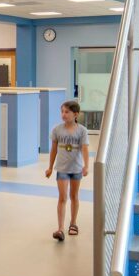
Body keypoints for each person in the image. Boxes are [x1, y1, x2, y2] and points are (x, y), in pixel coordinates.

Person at [45, 99, 90, 242]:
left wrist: (86, 166)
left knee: (74, 196)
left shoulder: (82, 131)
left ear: (75, 114)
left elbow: (84, 149)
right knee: (62, 197)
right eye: (62, 112)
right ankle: (60, 228)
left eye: (67, 112)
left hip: (76, 169)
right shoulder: (57, 130)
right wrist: (50, 167)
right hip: (62, 169)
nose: (63, 115)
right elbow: (53, 150)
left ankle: (73, 223)